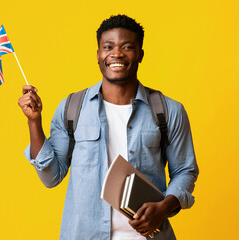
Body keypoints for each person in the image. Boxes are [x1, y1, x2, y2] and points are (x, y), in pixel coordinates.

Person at [18, 14, 199, 240]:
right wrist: (34, 122)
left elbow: (184, 171)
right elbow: (51, 177)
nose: (117, 54)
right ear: (98, 55)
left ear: (140, 54)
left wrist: (164, 208)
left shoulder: (168, 111)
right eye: (108, 46)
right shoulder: (72, 108)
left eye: (127, 46)